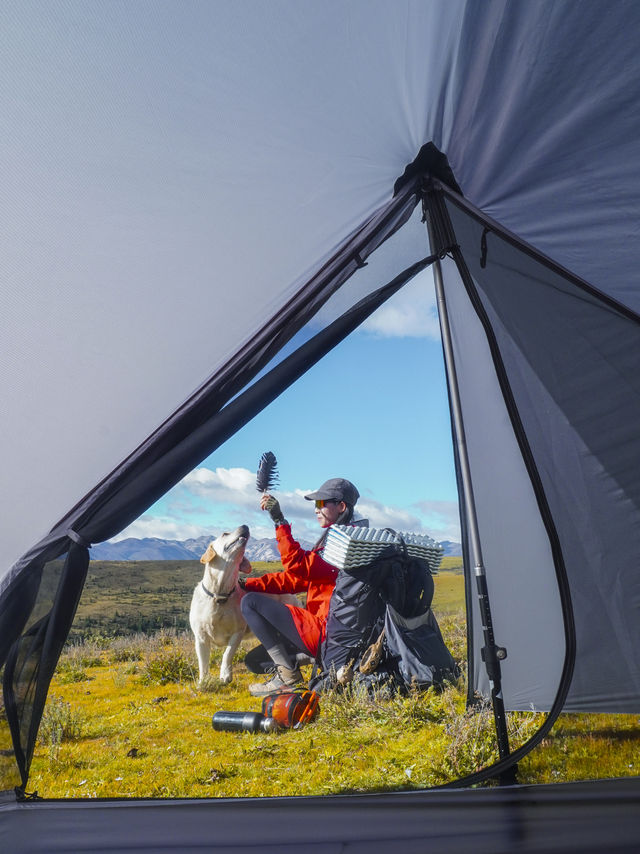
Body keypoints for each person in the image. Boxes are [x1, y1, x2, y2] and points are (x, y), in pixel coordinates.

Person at [240, 477, 364, 696]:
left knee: (250, 604)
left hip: (327, 632)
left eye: (321, 504)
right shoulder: (346, 541)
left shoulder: (343, 547)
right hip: (335, 633)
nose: (316, 510)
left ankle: (288, 674)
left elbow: (295, 563)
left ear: (341, 507)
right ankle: (306, 661)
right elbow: (295, 580)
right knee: (255, 661)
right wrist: (248, 584)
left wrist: (279, 520)